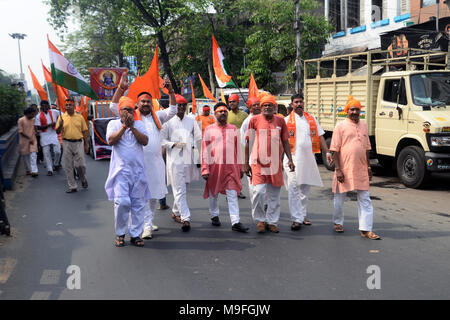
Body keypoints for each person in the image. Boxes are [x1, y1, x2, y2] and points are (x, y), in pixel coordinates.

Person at [110, 71, 177, 240]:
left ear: (151, 104)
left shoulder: (158, 116)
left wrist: (170, 92)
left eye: (148, 101)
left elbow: (174, 109)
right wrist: (121, 88)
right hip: (137, 165)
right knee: (137, 198)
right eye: (143, 101)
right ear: (137, 104)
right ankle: (141, 226)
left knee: (154, 195)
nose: (146, 103)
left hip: (155, 163)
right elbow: (113, 106)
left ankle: (148, 222)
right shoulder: (132, 117)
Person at [330, 96, 381, 240]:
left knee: (365, 198)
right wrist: (338, 169)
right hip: (344, 168)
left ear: (360, 111)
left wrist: (369, 167)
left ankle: (366, 229)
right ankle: (338, 222)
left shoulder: (364, 125)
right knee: (339, 198)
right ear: (347, 111)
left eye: (357, 109)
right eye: (352, 109)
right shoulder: (340, 126)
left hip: (361, 168)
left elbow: (367, 148)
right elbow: (334, 149)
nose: (354, 112)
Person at [244, 94, 295, 233]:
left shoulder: (280, 121)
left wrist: (290, 159)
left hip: (275, 164)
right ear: (261, 108)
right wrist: (245, 163)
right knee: (259, 192)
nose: (267, 107)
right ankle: (261, 220)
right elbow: (248, 142)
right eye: (265, 105)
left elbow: (285, 141)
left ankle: (272, 221)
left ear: (274, 107)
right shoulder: (253, 120)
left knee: (274, 195)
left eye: (270, 105)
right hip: (257, 163)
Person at [105, 96, 150, 247]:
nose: (129, 113)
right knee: (123, 202)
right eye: (126, 110)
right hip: (121, 172)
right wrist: (124, 127)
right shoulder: (113, 124)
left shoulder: (139, 124)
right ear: (120, 112)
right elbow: (111, 141)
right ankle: (120, 233)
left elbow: (145, 141)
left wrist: (132, 127)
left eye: (131, 110)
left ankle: (136, 234)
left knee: (138, 204)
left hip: (138, 172)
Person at [284, 94, 332, 230]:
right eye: (296, 102)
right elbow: (282, 141)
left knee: (304, 188)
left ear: (303, 103)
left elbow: (320, 136)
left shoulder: (311, 119)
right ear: (291, 104)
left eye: (300, 102)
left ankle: (302, 215)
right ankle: (296, 219)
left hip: (308, 159)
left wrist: (327, 152)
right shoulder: (287, 120)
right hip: (291, 160)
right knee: (294, 188)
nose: (299, 104)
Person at [201, 104, 249, 233]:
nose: (223, 113)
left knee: (232, 194)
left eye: (225, 111)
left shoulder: (233, 129)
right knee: (213, 193)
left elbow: (237, 150)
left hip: (231, 168)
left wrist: (240, 167)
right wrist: (205, 169)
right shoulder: (209, 130)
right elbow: (204, 150)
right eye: (220, 111)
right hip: (214, 168)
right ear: (215, 114)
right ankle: (214, 214)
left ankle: (235, 221)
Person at [161, 95, 202, 232]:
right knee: (179, 190)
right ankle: (186, 218)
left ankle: (175, 212)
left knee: (185, 187)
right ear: (174, 106)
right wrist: (174, 144)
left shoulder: (191, 120)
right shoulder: (167, 121)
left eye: (184, 105)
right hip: (174, 159)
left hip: (188, 158)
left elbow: (198, 139)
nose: (182, 107)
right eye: (179, 105)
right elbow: (161, 140)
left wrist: (199, 158)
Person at [55, 98, 89, 193]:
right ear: (65, 107)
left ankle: (83, 179)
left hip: (78, 142)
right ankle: (73, 186)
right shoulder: (61, 118)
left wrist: (86, 144)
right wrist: (60, 125)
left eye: (70, 105)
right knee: (69, 165)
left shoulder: (80, 117)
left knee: (80, 165)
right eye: (67, 105)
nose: (68, 106)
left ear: (74, 106)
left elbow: (84, 131)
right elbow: (57, 131)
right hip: (66, 143)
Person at [240, 97, 261, 203]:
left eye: (258, 104)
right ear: (250, 108)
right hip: (251, 158)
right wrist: (245, 162)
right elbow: (244, 143)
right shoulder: (247, 122)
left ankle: (263, 205)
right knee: (254, 186)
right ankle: (257, 210)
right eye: (254, 105)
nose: (257, 106)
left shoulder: (264, 118)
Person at [34, 100, 61, 176]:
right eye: (43, 105)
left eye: (46, 105)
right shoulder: (38, 116)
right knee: (46, 153)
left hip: (53, 134)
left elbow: (62, 116)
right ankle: (50, 170)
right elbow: (38, 127)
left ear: (48, 106)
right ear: (41, 107)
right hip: (44, 135)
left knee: (58, 151)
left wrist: (59, 122)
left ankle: (56, 164)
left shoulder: (54, 112)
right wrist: (49, 125)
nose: (45, 107)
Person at [18, 107, 38, 177]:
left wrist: (36, 131)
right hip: (24, 141)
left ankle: (34, 171)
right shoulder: (21, 120)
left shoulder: (33, 120)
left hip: (33, 140)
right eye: (32, 114)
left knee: (33, 155)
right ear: (27, 114)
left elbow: (34, 127)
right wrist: (29, 138)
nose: (33, 115)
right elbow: (21, 132)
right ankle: (28, 169)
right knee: (25, 156)